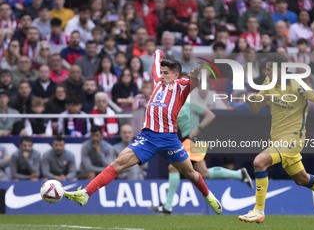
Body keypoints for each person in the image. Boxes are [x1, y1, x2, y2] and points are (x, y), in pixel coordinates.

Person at [64, 49, 223, 215]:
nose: (162, 75)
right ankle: (85, 194)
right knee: (118, 163)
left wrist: (198, 73)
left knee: (191, 173)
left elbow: (199, 79)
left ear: (176, 75)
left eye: (166, 73)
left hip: (169, 139)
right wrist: (157, 53)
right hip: (147, 138)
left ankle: (208, 196)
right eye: (161, 72)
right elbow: (156, 62)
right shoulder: (157, 82)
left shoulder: (182, 87)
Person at [238, 54, 314, 223]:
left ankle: (258, 210)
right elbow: (255, 109)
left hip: (294, 139)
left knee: (259, 162)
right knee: (302, 178)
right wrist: (252, 99)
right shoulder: (267, 85)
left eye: (270, 68)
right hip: (277, 140)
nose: (267, 71)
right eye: (266, 68)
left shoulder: (297, 85)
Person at [150, 96, 253, 214]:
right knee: (204, 173)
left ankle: (167, 206)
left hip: (195, 140)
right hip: (188, 141)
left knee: (173, 167)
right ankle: (240, 174)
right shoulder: (173, 107)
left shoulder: (190, 103)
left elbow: (210, 115)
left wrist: (197, 129)